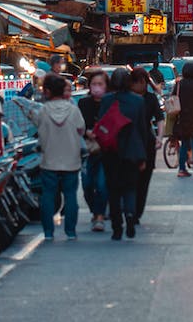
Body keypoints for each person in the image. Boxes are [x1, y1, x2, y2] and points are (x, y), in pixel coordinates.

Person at [15, 74, 85, 240]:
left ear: (47, 91)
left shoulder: (43, 111)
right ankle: (70, 231)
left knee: (47, 195)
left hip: (49, 160)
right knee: (70, 195)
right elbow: (81, 129)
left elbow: (37, 128)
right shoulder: (73, 110)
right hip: (71, 160)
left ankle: (48, 232)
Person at [96, 69, 153, 239]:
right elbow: (143, 130)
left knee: (113, 189)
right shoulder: (138, 101)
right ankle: (130, 217)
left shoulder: (106, 100)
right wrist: (144, 155)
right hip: (132, 150)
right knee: (130, 188)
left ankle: (116, 227)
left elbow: (101, 125)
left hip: (111, 151)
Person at [77, 69, 111, 235]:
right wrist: (87, 132)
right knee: (87, 184)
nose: (97, 87)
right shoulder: (83, 103)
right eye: (94, 84)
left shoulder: (111, 103)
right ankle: (95, 210)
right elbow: (78, 124)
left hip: (105, 150)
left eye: (100, 84)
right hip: (88, 149)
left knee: (102, 184)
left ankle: (99, 216)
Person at [127, 67, 161, 220]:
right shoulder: (127, 98)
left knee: (144, 180)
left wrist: (160, 136)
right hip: (129, 141)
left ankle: (137, 211)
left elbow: (159, 118)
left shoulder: (151, 98)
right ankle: (130, 208)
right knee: (130, 179)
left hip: (147, 141)